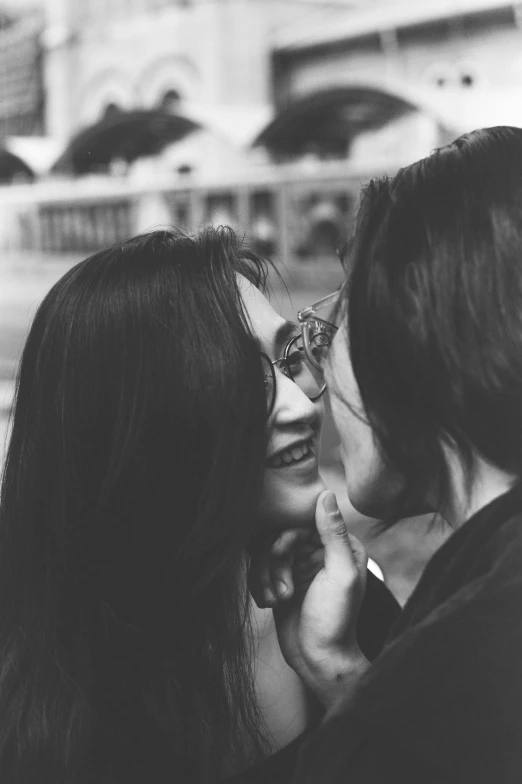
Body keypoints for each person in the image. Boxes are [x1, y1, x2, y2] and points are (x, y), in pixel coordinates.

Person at [0, 227, 398, 784]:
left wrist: (336, 671)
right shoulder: (37, 698)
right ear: (137, 426)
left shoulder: (344, 606)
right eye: (241, 377)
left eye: (286, 363)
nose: (302, 406)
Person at [252, 126, 522, 783]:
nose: (309, 397)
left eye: (330, 331)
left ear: (405, 332)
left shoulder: (437, 691)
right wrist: (340, 671)